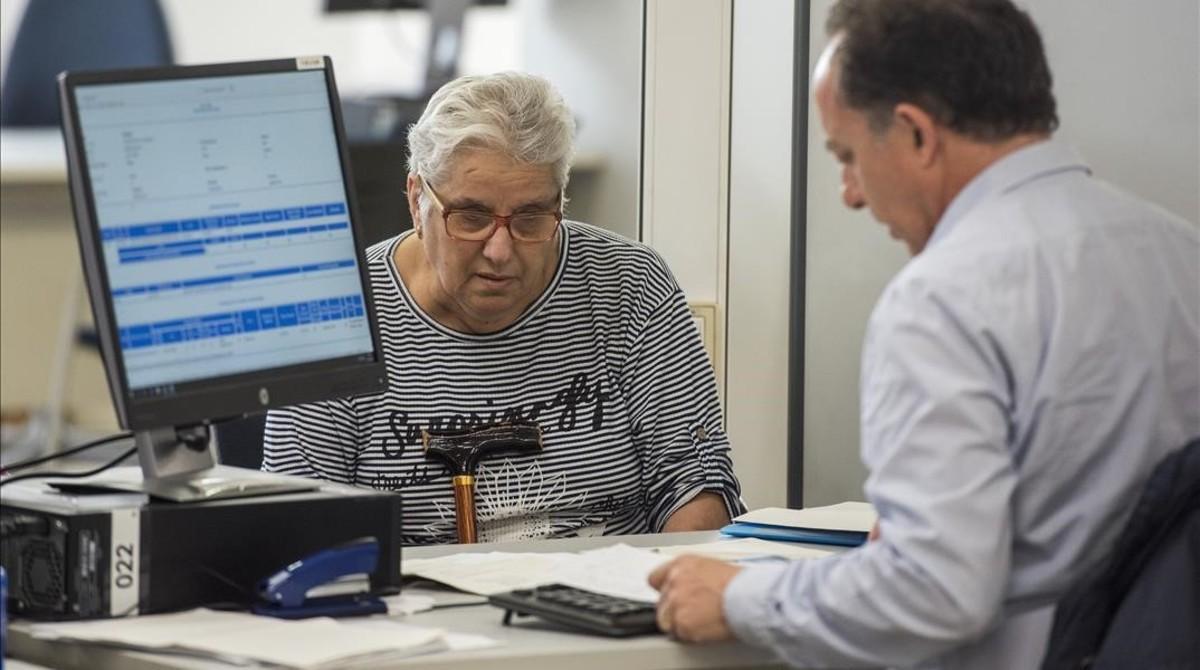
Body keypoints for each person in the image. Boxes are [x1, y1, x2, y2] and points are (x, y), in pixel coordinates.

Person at [648, 1, 1200, 668]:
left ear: (915, 134)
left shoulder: (943, 299)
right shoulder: (1178, 251)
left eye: (847, 155)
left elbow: (935, 592)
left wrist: (741, 598)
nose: (850, 193)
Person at [263, 72, 744, 545]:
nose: (500, 250)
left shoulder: (628, 283)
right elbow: (300, 526)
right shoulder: (333, 313)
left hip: (612, 598)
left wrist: (666, 595)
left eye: (531, 218)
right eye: (471, 217)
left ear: (560, 203)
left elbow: (693, 483)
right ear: (416, 201)